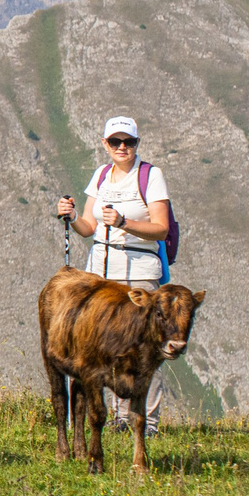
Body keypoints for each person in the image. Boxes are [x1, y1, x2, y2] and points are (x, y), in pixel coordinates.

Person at [55, 115, 175, 433]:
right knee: (108, 344)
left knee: (146, 346)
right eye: (116, 142)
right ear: (105, 144)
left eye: (129, 142)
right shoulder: (101, 175)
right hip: (102, 272)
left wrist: (124, 222)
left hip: (139, 272)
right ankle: (120, 418)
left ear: (137, 144)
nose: (122, 147)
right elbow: (88, 228)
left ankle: (147, 421)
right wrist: (71, 216)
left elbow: (161, 229)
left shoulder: (151, 176)